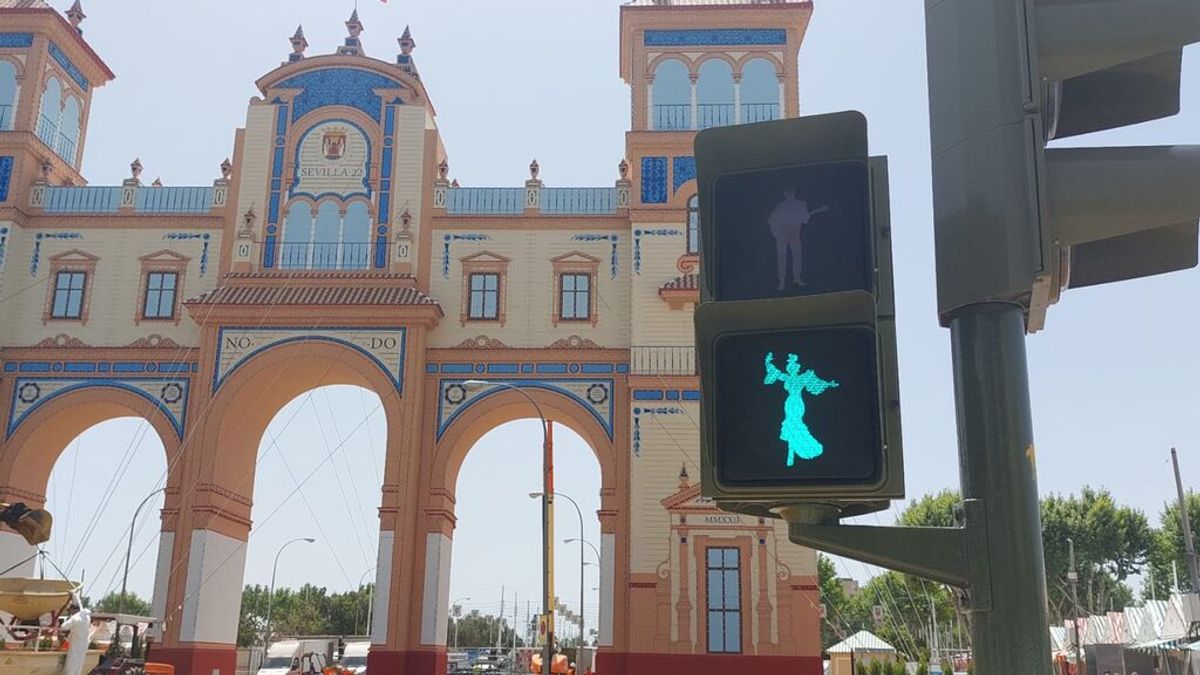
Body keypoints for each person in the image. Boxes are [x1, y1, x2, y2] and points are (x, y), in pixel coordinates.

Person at [763, 352, 839, 465]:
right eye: (790, 368)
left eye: (794, 368)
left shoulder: (803, 377)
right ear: (789, 369)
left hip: (798, 403)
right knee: (791, 421)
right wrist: (767, 362)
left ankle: (799, 447)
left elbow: (817, 383)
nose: (792, 369)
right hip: (789, 403)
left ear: (797, 369)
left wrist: (829, 384)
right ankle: (792, 448)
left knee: (796, 421)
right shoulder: (786, 377)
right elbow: (774, 372)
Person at [766, 188, 830, 290]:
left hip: (794, 235)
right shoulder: (780, 206)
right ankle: (782, 280)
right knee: (782, 258)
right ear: (785, 194)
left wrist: (815, 212)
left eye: (791, 192)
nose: (789, 195)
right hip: (782, 236)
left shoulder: (801, 204)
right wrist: (775, 233)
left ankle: (797, 278)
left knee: (797, 257)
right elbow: (771, 220)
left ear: (793, 193)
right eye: (788, 193)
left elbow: (804, 218)